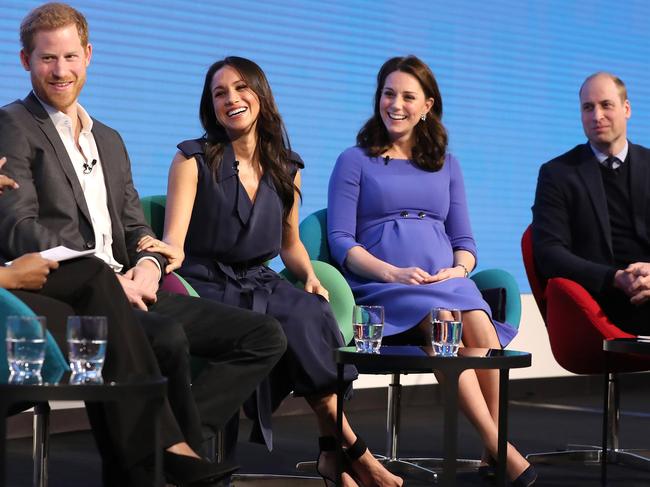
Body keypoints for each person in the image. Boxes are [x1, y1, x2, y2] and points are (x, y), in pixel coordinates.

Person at [0, 4, 286, 486]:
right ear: (26, 59)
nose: (61, 70)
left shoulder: (109, 140)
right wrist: (108, 277)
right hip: (64, 292)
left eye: (70, 56)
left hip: (131, 289)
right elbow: (18, 228)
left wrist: (150, 265)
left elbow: (136, 229)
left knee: (264, 336)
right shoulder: (13, 125)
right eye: (47, 59)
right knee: (166, 339)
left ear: (88, 55)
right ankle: (171, 455)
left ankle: (173, 448)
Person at [147, 55, 402, 487]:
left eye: (241, 88)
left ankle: (332, 454)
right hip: (207, 283)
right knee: (298, 320)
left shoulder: (288, 167)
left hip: (259, 279)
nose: (232, 99)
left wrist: (309, 276)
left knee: (313, 311)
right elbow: (176, 237)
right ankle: (355, 453)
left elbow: (290, 244)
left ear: (261, 94)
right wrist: (159, 254)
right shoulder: (192, 159)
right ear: (211, 107)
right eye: (220, 93)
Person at [327, 55, 536, 486]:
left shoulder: (448, 164)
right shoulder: (355, 160)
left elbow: (466, 244)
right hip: (383, 284)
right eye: (388, 94)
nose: (395, 104)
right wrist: (390, 273)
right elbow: (341, 242)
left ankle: (488, 450)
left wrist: (458, 271)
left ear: (427, 105)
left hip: (443, 282)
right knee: (445, 322)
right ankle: (501, 448)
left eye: (407, 96)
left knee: (479, 322)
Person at [532, 72, 650, 335]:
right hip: (598, 302)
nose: (597, 116)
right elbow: (548, 253)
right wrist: (614, 278)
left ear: (627, 109)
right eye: (588, 108)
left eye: (606, 105)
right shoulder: (558, 173)